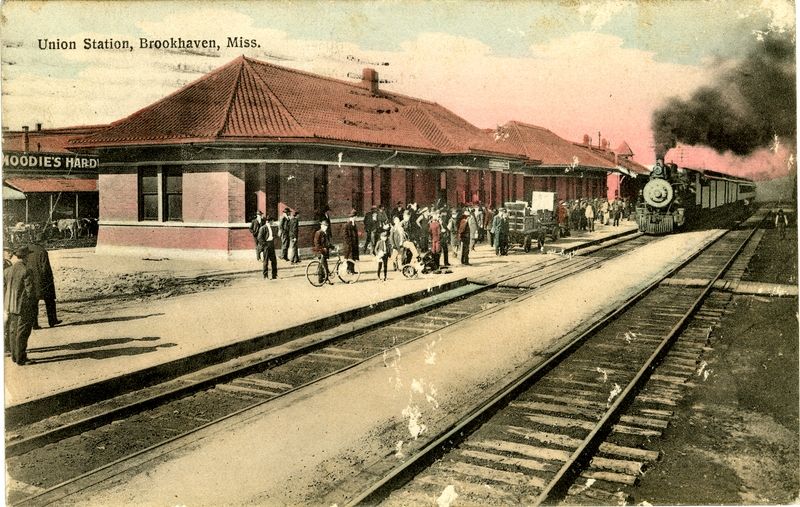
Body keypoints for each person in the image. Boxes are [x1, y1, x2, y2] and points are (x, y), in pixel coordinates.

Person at [4, 246, 35, 365]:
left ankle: (14, 356)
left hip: (9, 305)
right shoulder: (26, 270)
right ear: (26, 256)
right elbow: (30, 291)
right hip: (22, 306)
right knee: (23, 332)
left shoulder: (8, 270)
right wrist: (32, 305)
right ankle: (21, 358)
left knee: (13, 331)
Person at [26, 242, 61, 328]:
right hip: (43, 281)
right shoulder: (42, 251)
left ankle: (34, 324)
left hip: (31, 280)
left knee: (33, 302)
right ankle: (52, 321)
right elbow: (45, 268)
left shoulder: (27, 250)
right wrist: (49, 279)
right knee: (50, 301)